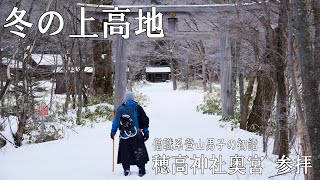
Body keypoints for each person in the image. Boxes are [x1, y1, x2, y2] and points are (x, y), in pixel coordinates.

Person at [110, 91, 150, 177]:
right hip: (137, 134)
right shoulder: (138, 108)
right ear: (133, 98)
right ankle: (141, 169)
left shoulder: (120, 109)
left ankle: (126, 169)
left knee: (125, 152)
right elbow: (144, 121)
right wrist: (146, 133)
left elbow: (116, 121)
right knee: (139, 151)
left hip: (124, 135)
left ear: (125, 98)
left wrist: (113, 132)